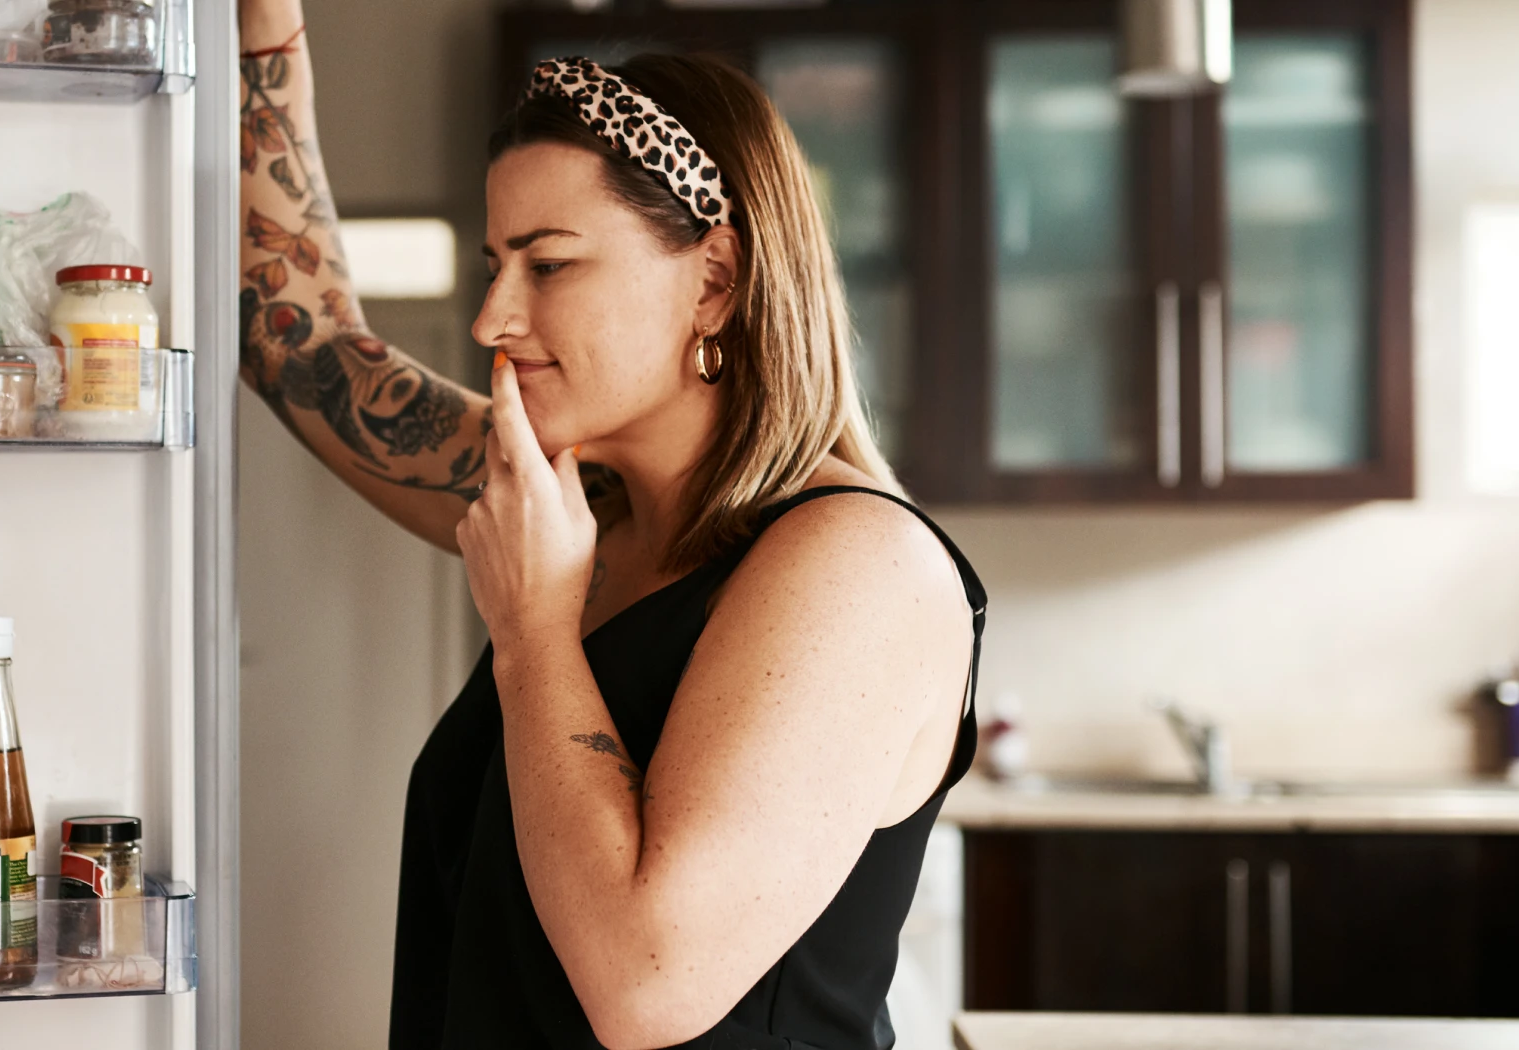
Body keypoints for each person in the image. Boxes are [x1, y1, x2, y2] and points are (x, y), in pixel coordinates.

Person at [238, 3, 986, 1047]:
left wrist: (534, 632)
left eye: (548, 265)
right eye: (496, 264)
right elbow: (304, 348)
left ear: (716, 281)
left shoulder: (858, 566)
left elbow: (647, 984)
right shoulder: (577, 510)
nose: (492, 319)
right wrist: (264, 24)